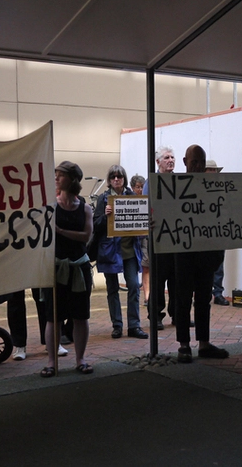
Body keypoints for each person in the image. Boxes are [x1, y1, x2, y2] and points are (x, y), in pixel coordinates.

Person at [173, 145, 229, 363]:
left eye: (201, 162)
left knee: (204, 298)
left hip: (206, 252)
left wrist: (241, 219)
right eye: (194, 161)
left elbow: (224, 213)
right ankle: (184, 345)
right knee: (183, 297)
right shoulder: (173, 188)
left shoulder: (213, 188)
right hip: (184, 252)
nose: (197, 166)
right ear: (185, 161)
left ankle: (203, 343)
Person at [41, 161, 93, 377]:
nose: (56, 178)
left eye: (61, 175)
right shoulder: (50, 207)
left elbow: (86, 236)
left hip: (78, 268)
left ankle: (80, 359)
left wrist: (61, 231)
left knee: (81, 316)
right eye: (56, 174)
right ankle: (52, 362)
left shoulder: (85, 208)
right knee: (54, 317)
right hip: (56, 269)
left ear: (72, 179)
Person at [93, 165, 148, 340]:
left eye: (119, 176)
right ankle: (117, 325)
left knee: (133, 286)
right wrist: (105, 216)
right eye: (113, 177)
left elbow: (141, 220)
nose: (116, 179)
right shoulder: (103, 199)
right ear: (109, 180)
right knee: (112, 289)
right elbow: (96, 225)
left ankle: (134, 325)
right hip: (110, 251)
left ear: (124, 178)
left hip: (129, 250)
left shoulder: (132, 197)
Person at [144, 146, 177, 330]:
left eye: (172, 157)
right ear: (158, 162)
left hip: (177, 238)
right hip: (158, 239)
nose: (170, 160)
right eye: (166, 157)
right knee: (157, 281)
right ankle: (155, 316)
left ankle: (177, 314)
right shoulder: (152, 182)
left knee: (177, 280)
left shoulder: (179, 181)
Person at [206, 160, 229, 306]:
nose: (211, 173)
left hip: (219, 230)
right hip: (204, 232)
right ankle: (208, 292)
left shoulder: (222, 189)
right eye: (209, 170)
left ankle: (217, 292)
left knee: (218, 264)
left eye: (213, 170)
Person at [130, 174, 149, 307]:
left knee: (147, 267)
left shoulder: (147, 200)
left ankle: (147, 296)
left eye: (142, 187)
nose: (140, 190)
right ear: (132, 188)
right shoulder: (129, 201)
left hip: (145, 237)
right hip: (135, 239)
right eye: (137, 187)